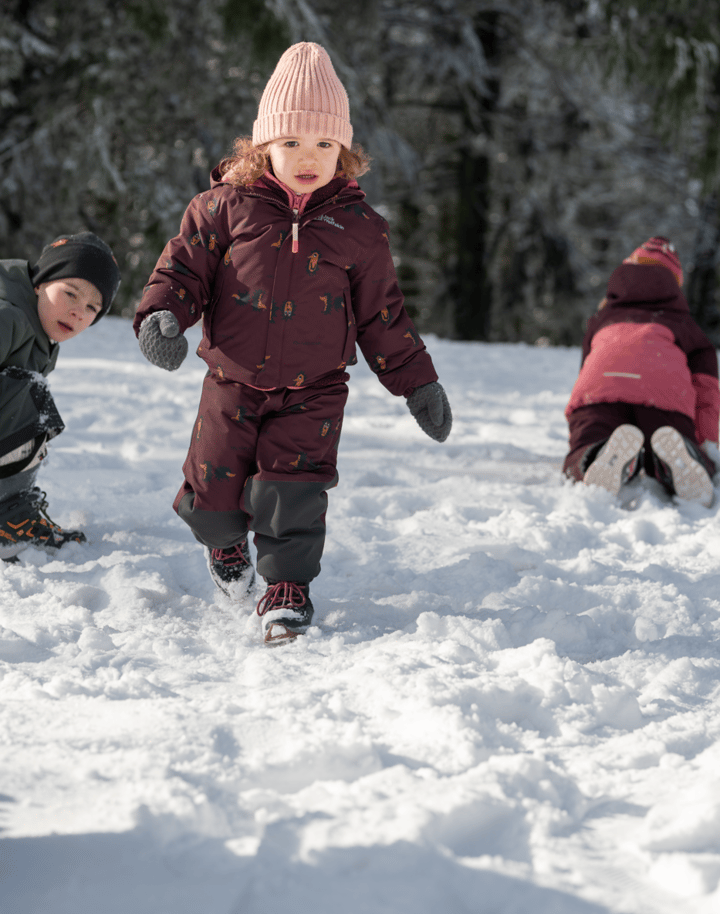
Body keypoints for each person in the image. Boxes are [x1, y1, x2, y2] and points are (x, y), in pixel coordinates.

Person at [134, 41, 452, 644]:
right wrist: (164, 317)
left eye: (324, 146)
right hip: (230, 381)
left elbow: (384, 315)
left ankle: (287, 587)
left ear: (345, 152)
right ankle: (225, 544)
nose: (309, 158)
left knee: (293, 491)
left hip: (316, 390)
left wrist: (418, 382)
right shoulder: (222, 209)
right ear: (263, 147)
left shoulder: (360, 229)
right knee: (211, 497)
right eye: (293, 144)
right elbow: (181, 273)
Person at [563, 236, 718, 507]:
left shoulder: (601, 320)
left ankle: (595, 455)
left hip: (600, 393)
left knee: (591, 436)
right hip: (663, 395)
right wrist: (707, 442)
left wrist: (581, 422)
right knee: (672, 438)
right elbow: (707, 389)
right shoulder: (684, 325)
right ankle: (683, 460)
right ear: (674, 285)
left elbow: (587, 371)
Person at [0, 231, 121, 561]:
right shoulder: (9, 317)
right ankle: (8, 519)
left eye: (92, 307)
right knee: (30, 396)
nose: (78, 311)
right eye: (70, 293)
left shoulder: (38, 331)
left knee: (31, 401)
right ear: (40, 283)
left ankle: (10, 511)